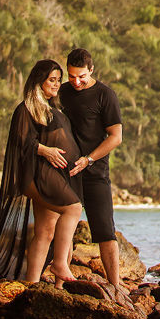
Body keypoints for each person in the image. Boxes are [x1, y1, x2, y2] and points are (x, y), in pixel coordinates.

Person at [0, 60, 82, 286]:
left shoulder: (53, 108)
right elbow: (20, 142)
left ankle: (32, 284)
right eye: (52, 80)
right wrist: (46, 151)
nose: (56, 84)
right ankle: (59, 263)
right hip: (37, 175)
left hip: (54, 175)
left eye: (58, 80)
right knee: (73, 209)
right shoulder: (26, 108)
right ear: (38, 80)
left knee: (45, 230)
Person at [59, 47, 123, 287]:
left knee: (106, 231)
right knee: (62, 229)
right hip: (64, 172)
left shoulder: (105, 95)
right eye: (72, 76)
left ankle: (115, 287)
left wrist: (89, 159)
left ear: (92, 70)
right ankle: (61, 284)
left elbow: (115, 137)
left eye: (82, 76)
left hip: (95, 172)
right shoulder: (62, 92)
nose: (76, 81)